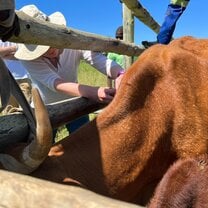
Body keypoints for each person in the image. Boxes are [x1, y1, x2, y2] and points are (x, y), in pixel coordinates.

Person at [14, 5, 125, 139]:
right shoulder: (29, 60)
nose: (49, 49)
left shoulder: (72, 43)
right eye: (42, 48)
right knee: (45, 148)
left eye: (51, 41)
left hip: (76, 102)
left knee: (84, 141)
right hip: (45, 110)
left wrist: (120, 74)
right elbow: (55, 83)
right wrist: (94, 92)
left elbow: (95, 58)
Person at [0, 40, 32, 114]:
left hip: (25, 77)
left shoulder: (21, 31)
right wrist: (16, 48)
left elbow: (29, 53)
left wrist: (4, 54)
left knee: (27, 113)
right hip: (5, 79)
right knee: (8, 113)